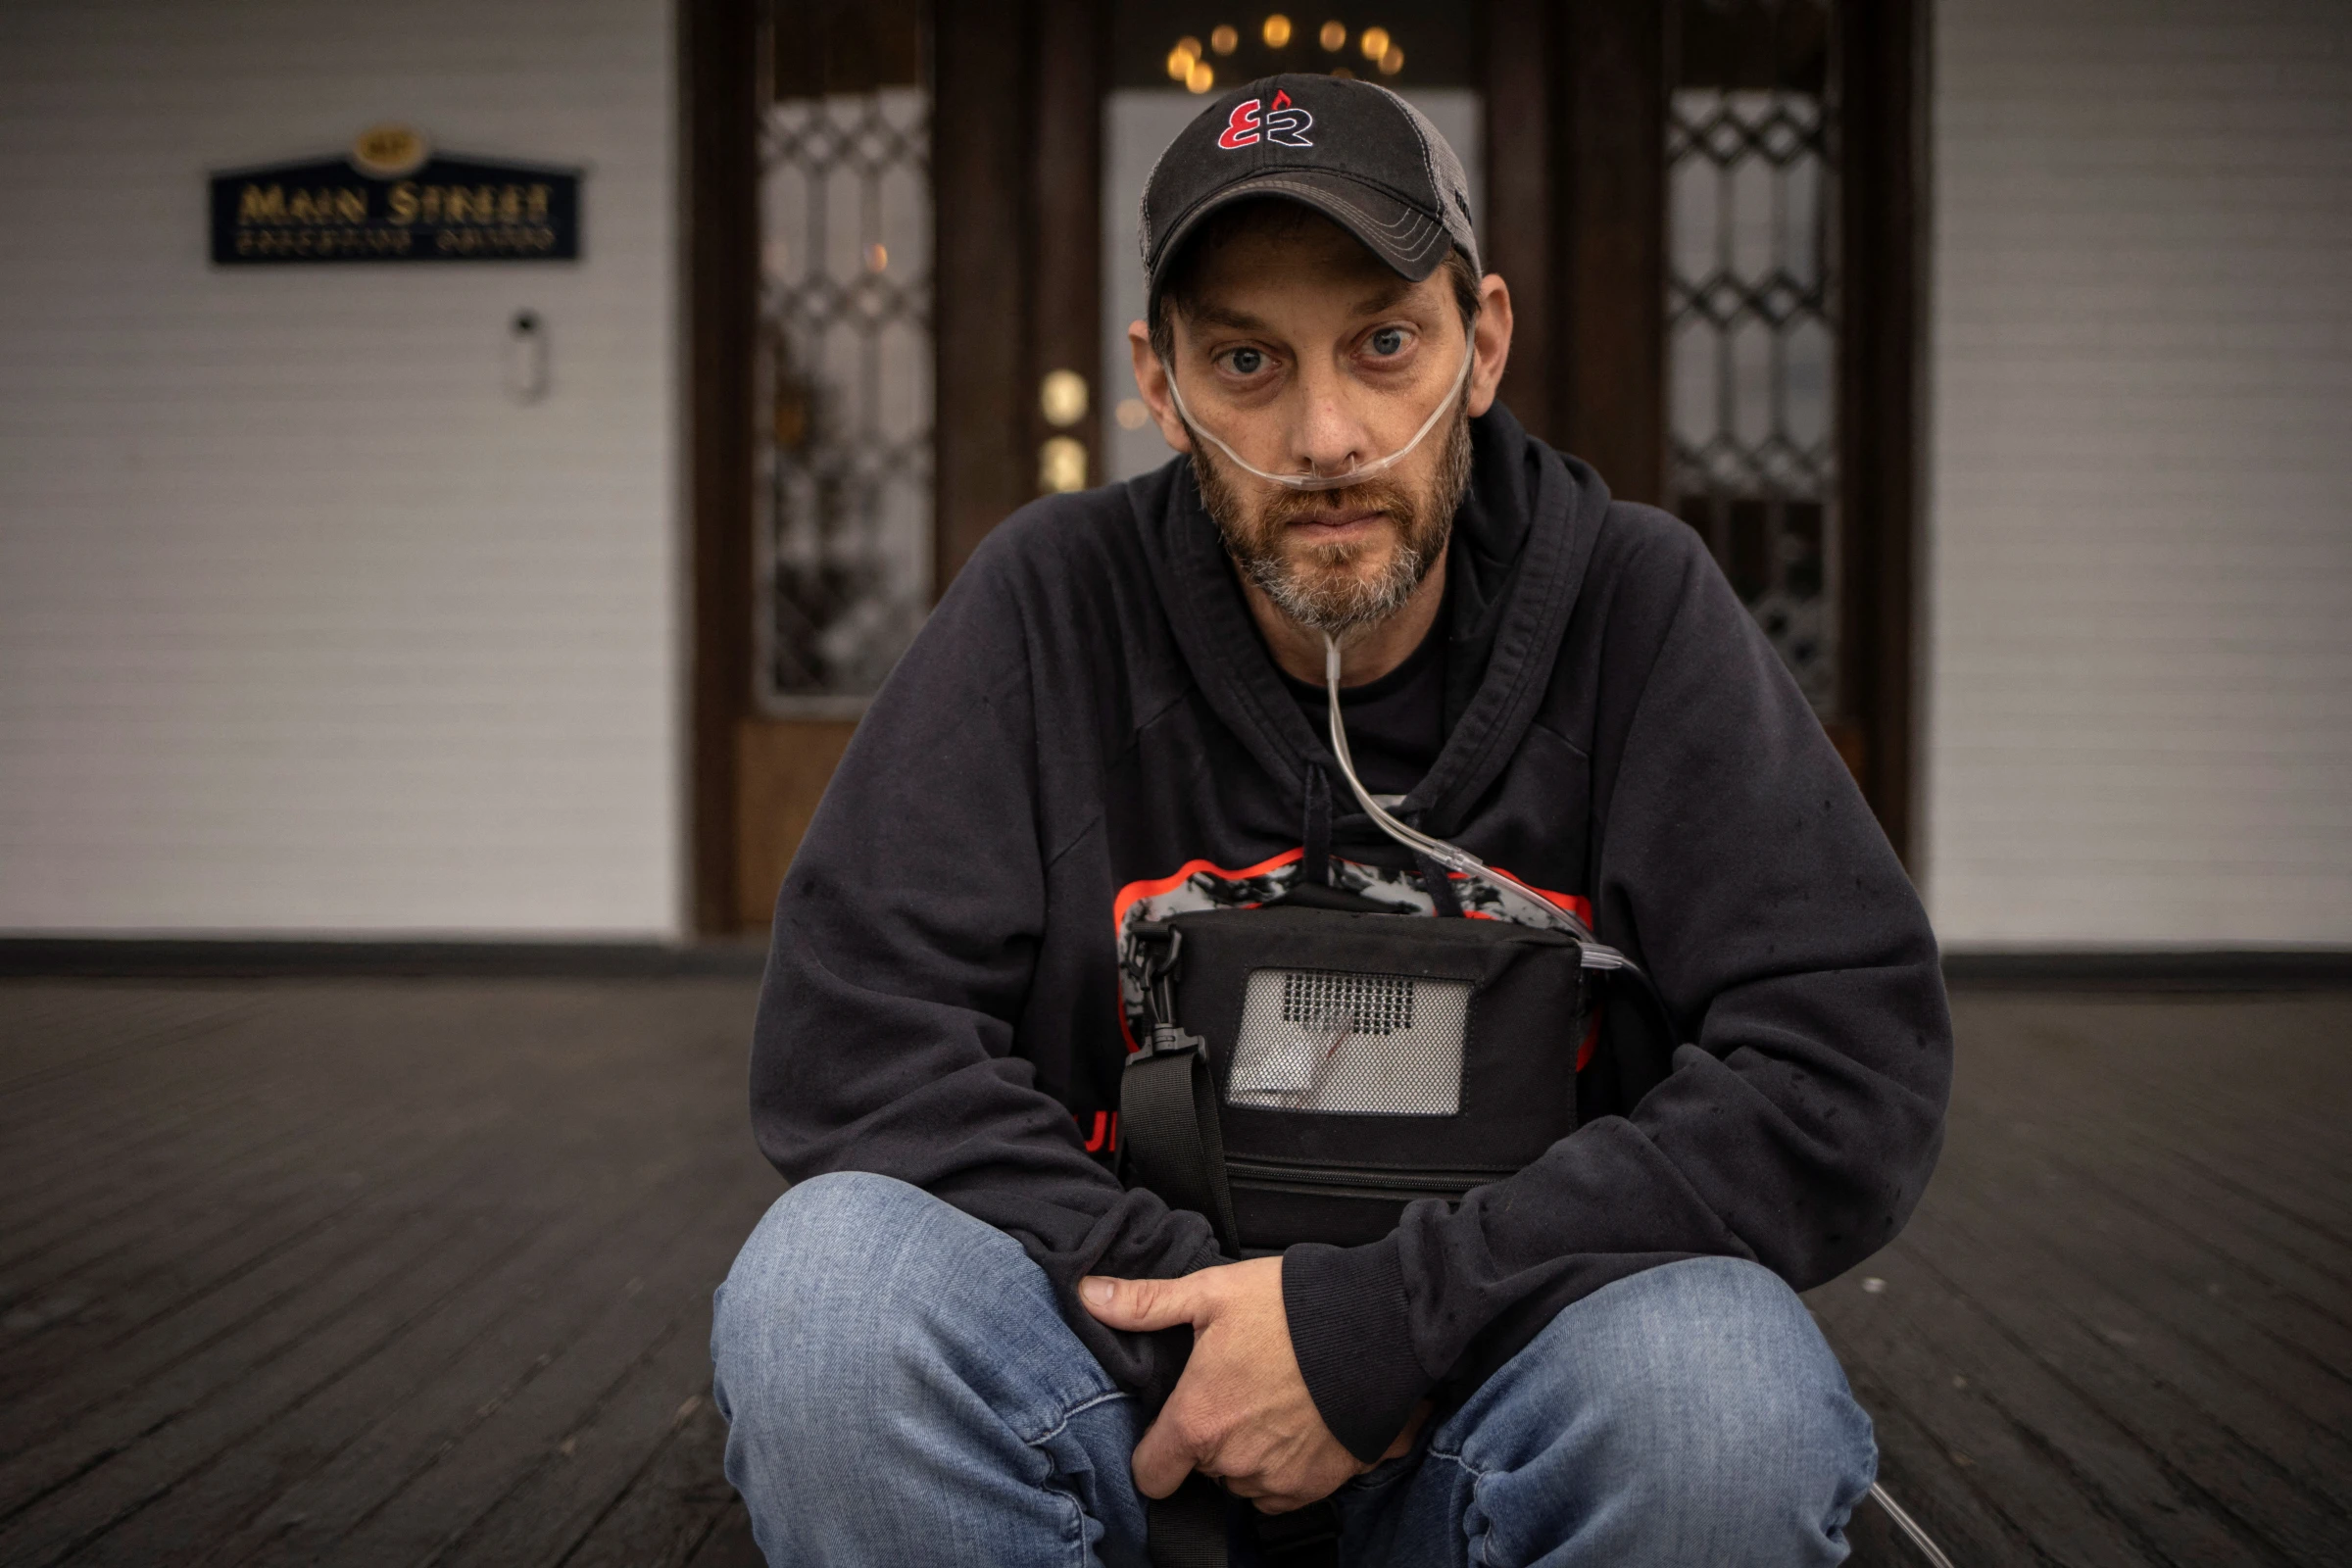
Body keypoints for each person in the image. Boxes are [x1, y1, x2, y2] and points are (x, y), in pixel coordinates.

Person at [710, 74, 1950, 1568]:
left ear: (1480, 344)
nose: (1327, 431)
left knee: (1722, 1398)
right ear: (1156, 384)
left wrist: (1372, 1332)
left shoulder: (1638, 608)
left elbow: (1841, 1064)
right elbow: (853, 1040)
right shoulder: (1050, 603)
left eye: (1384, 341)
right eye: (1245, 359)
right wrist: (1213, 1332)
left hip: (1505, 1392)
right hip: (1128, 1401)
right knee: (823, 1297)